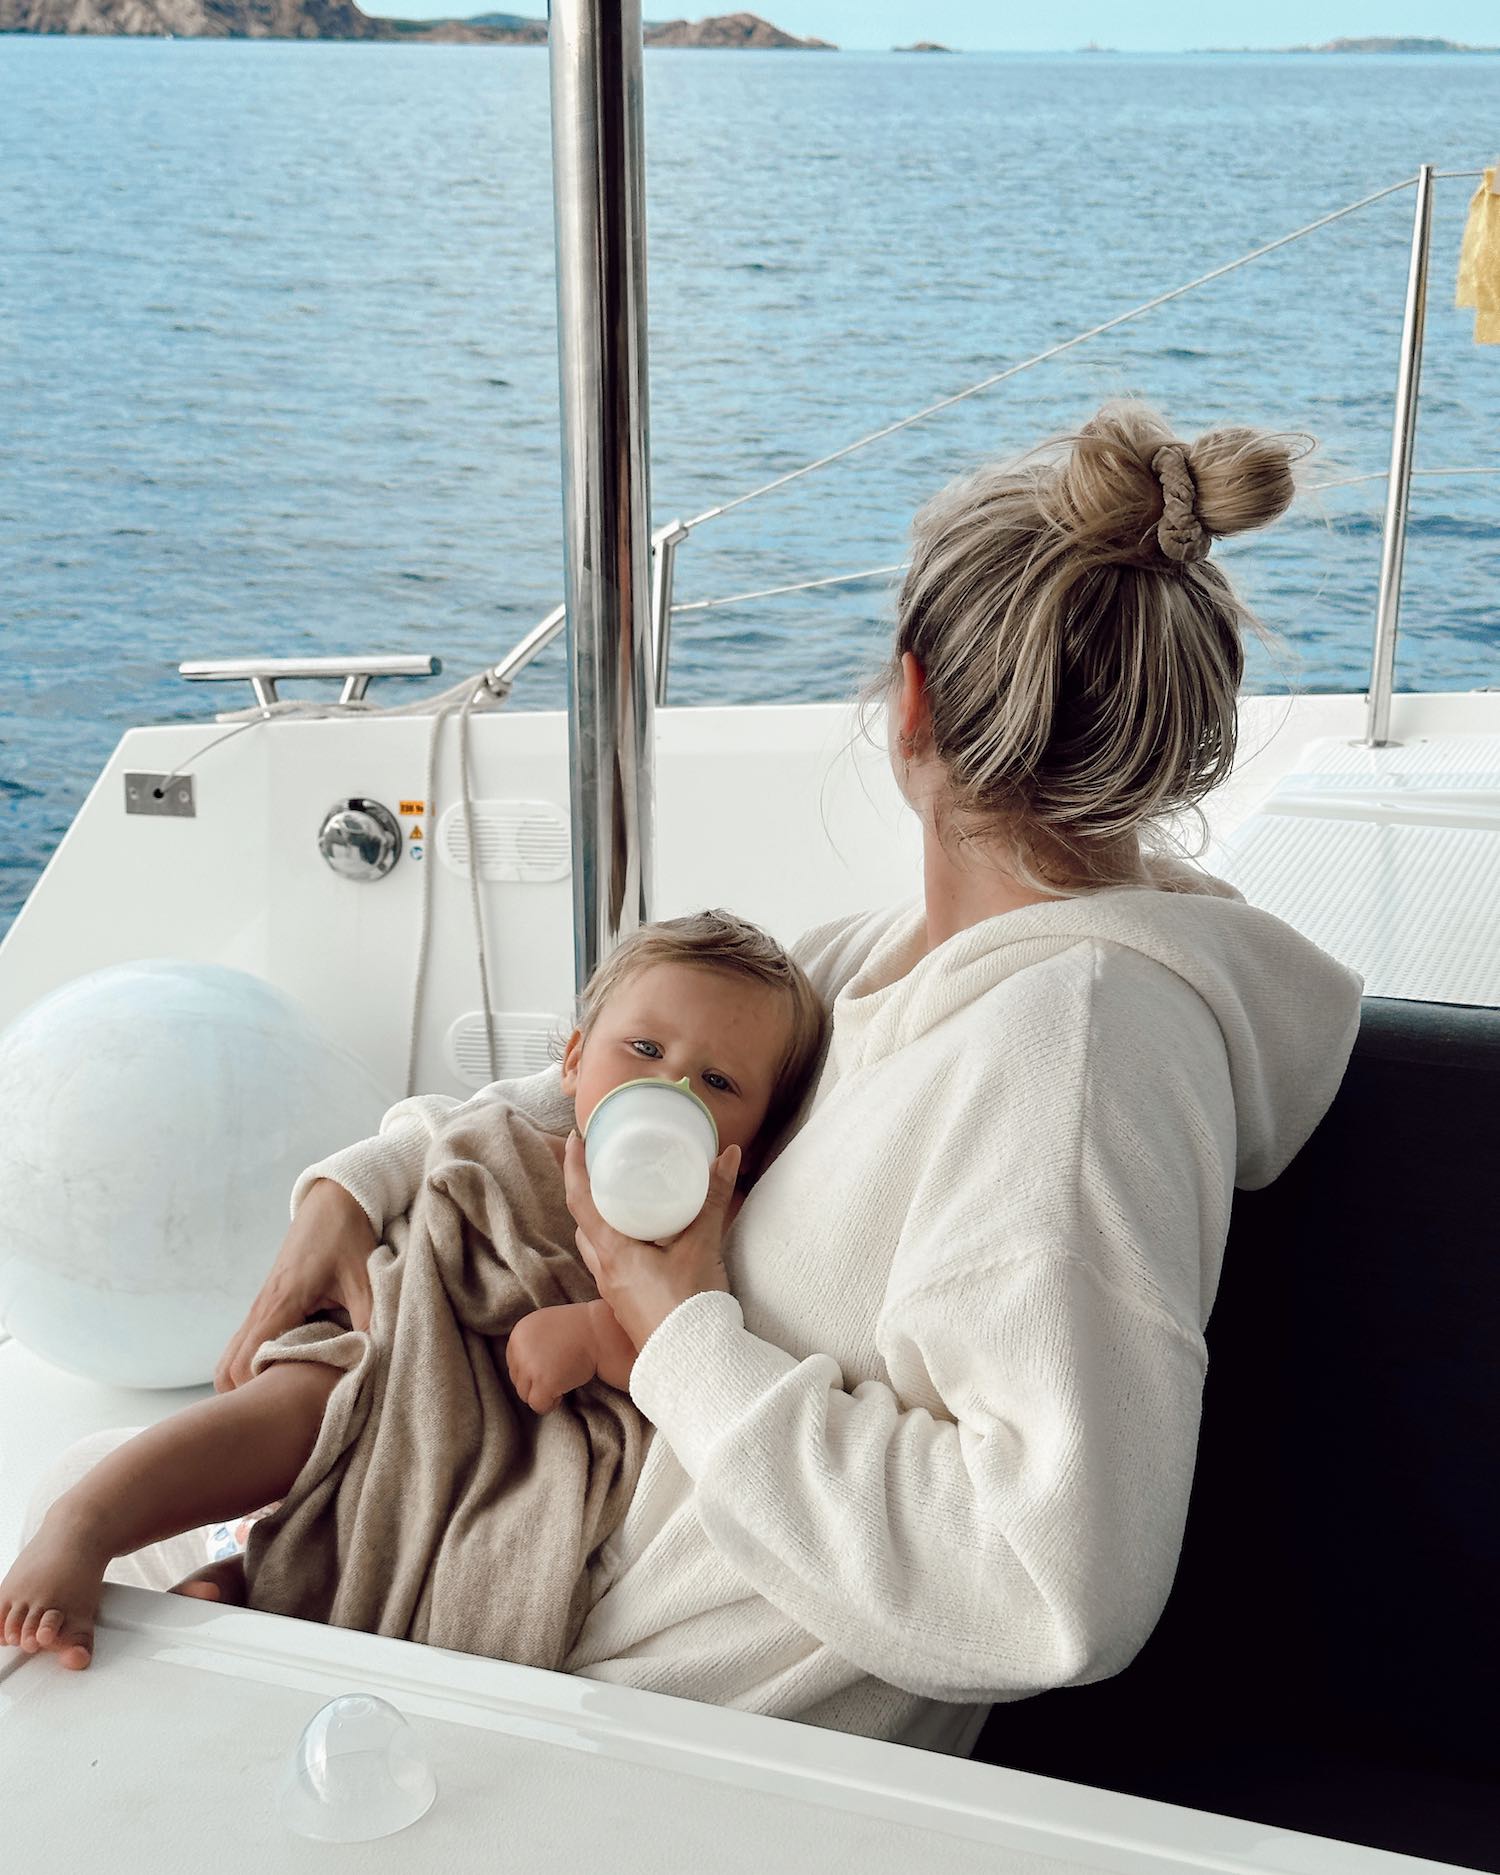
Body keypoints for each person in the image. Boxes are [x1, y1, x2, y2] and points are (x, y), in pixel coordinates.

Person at [16, 404, 1362, 1756]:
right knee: (96, 1532)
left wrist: (678, 1341)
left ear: (910, 701)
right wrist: (363, 1185)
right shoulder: (912, 961)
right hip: (545, 1590)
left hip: (644, 1736)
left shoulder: (1074, 1057)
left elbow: (1052, 1580)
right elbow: (615, 1086)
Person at [0, 911, 826, 1672]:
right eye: (644, 1051)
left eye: (718, 1084)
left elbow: (685, 1341)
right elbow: (439, 1182)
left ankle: (264, 1578)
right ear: (572, 1063)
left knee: (458, 1516)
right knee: (307, 1397)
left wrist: (595, 1332)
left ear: (754, 1144)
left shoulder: (713, 1226)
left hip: (516, 1425)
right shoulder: (512, 1136)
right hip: (406, 1332)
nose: (670, 1090)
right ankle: (86, 1523)